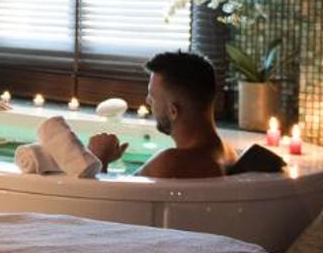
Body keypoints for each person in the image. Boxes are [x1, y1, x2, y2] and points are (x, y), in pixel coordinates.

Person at [86, 51, 230, 178]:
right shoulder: (228, 154)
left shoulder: (170, 164)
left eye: (152, 97)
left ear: (173, 112)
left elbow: (105, 200)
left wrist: (100, 158)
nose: (147, 101)